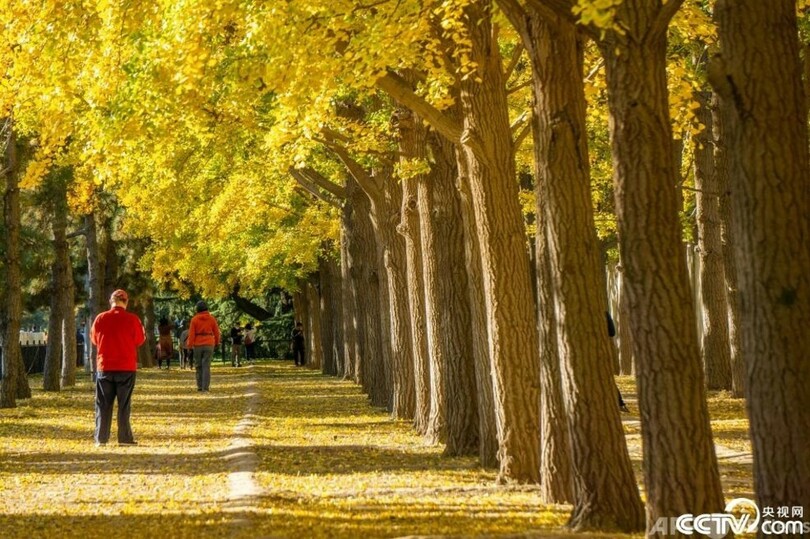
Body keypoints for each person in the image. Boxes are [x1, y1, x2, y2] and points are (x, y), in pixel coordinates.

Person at [90, 289, 146, 446]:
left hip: (105, 366)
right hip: (126, 367)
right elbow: (140, 340)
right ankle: (125, 438)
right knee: (124, 404)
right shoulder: (133, 319)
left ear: (111, 301)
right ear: (126, 302)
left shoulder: (100, 318)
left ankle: (101, 438)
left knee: (103, 404)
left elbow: (94, 339)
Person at [187, 301, 220, 392]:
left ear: (197, 309)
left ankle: (200, 386)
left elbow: (191, 334)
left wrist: (189, 346)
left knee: (198, 365)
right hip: (209, 343)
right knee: (206, 366)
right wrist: (217, 342)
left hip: (198, 344)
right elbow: (216, 332)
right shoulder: (212, 319)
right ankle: (206, 387)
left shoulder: (194, 319)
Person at [607, 311, 630, 413]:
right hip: (602, 350)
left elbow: (612, 332)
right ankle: (620, 404)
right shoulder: (603, 312)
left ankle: (620, 403)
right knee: (607, 378)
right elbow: (612, 332)